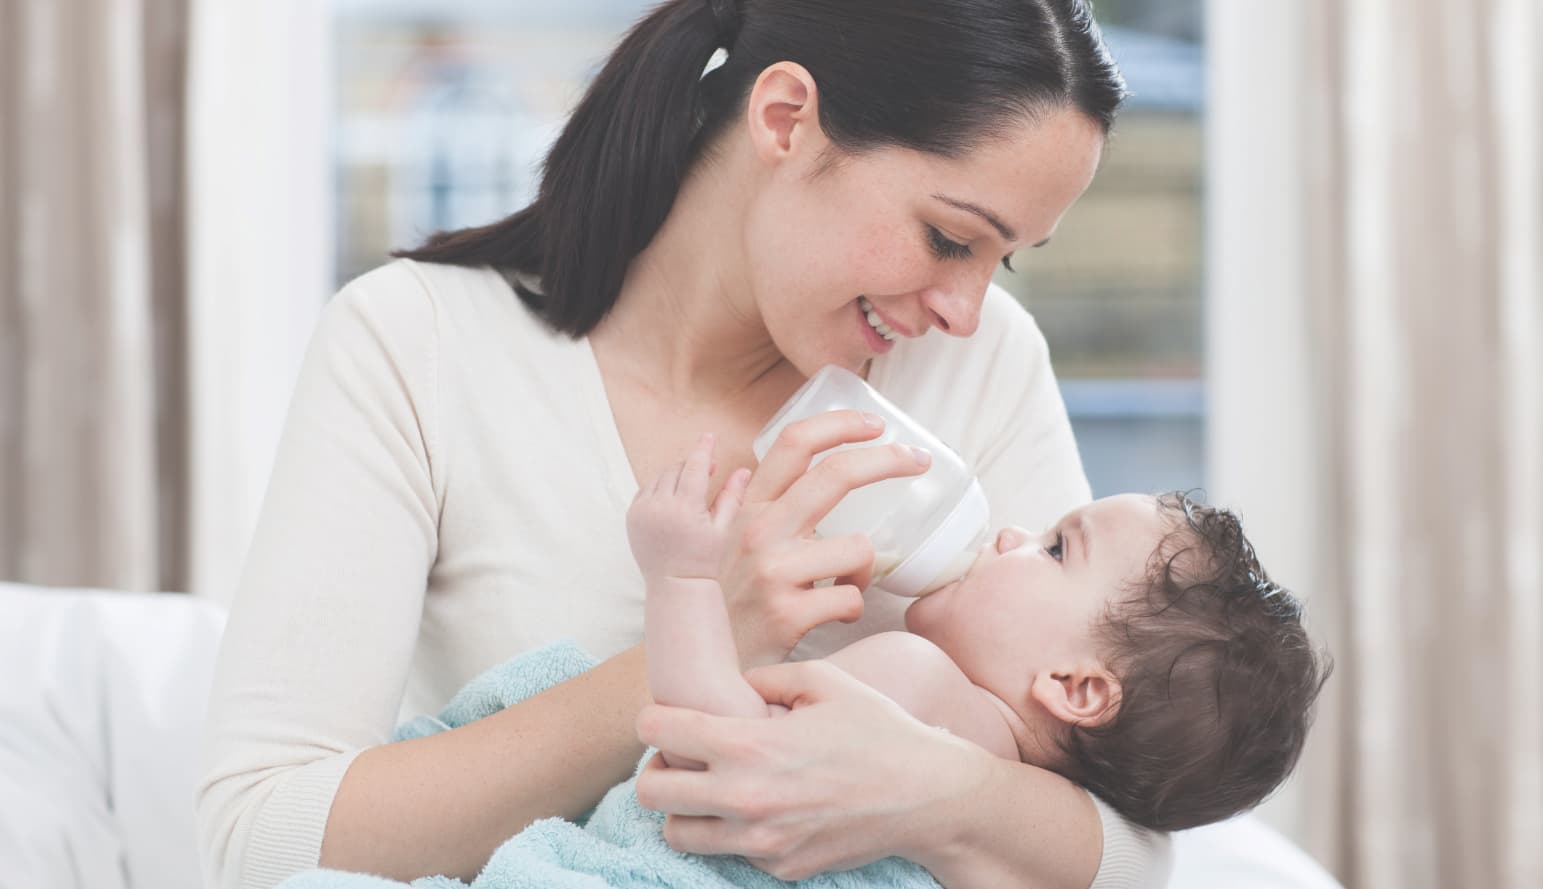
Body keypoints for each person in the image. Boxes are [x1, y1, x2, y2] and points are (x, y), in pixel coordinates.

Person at [196, 1, 1171, 887]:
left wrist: (929, 790)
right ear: (784, 119)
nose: (966, 309)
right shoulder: (417, 347)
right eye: (950, 238)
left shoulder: (977, 365)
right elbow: (258, 839)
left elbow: (1130, 844)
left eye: (1005, 259)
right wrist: (703, 639)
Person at [633, 435, 1331, 833]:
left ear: (1076, 687)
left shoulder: (915, 680)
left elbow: (715, 754)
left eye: (1054, 548)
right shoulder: (1022, 814)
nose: (1008, 533)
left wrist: (681, 577)